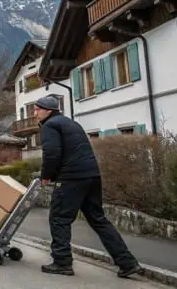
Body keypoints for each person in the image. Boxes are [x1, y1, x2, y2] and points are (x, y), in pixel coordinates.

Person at [33, 95, 142, 278]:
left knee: (59, 218)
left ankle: (62, 262)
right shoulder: (71, 123)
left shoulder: (50, 126)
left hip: (71, 178)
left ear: (48, 111)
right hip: (92, 175)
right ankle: (127, 262)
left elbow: (52, 154)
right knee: (98, 219)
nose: (35, 113)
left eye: (37, 109)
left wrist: (46, 176)